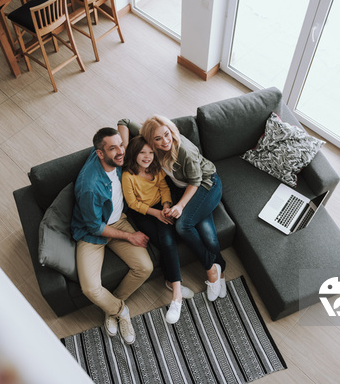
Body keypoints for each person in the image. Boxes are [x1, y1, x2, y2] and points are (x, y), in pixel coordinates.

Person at [119, 117, 227, 301]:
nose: (165, 141)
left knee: (184, 226)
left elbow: (195, 181)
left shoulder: (184, 150)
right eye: (158, 139)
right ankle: (217, 268)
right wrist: (125, 153)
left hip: (206, 184)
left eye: (167, 134)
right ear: (150, 139)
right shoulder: (151, 139)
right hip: (185, 189)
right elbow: (124, 121)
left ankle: (214, 272)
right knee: (206, 232)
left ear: (172, 130)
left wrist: (180, 205)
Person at [70, 127, 153, 345]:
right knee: (90, 288)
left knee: (145, 267)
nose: (120, 152)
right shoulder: (89, 186)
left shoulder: (117, 159)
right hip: (92, 232)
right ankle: (121, 310)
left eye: (121, 146)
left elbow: (123, 125)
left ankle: (111, 307)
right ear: (99, 153)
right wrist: (129, 237)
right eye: (113, 148)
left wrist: (122, 140)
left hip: (118, 220)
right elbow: (95, 227)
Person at [121, 135, 194, 325]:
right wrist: (156, 213)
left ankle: (171, 283)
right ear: (134, 154)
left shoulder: (155, 167)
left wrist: (167, 205)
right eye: (142, 153)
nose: (147, 157)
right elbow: (133, 203)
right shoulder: (128, 176)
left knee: (168, 239)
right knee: (166, 241)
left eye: (151, 153)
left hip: (161, 207)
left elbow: (163, 187)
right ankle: (176, 295)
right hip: (143, 213)